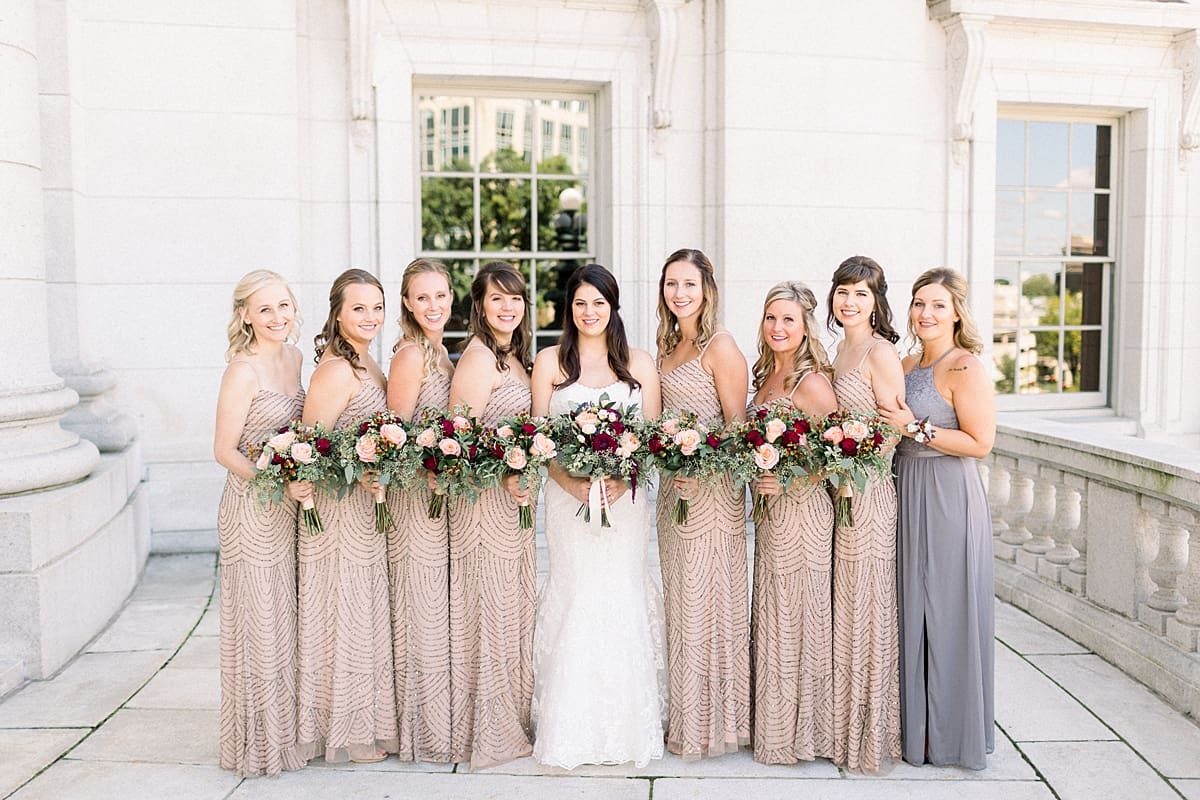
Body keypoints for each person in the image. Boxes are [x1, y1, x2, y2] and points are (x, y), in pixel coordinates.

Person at [530, 263, 666, 769]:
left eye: (599, 303)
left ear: (613, 308)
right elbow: (539, 442)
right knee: (577, 593)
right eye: (581, 303)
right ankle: (569, 724)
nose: (590, 313)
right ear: (570, 309)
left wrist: (619, 477)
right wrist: (573, 485)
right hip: (569, 503)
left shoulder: (639, 363)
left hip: (625, 504)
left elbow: (650, 440)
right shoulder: (548, 362)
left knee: (620, 592)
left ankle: (628, 725)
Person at [877, 267, 995, 770]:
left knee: (947, 611)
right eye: (919, 303)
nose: (926, 313)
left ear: (956, 313)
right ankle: (915, 729)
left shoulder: (965, 367)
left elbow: (980, 443)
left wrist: (915, 428)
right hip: (904, 490)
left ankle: (949, 735)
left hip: (949, 495)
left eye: (938, 305)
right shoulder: (903, 363)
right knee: (910, 610)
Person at [295, 268, 398, 764]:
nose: (370, 317)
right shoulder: (336, 370)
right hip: (338, 513)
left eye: (377, 307)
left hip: (365, 511)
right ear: (337, 313)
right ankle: (349, 734)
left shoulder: (368, 364)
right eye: (359, 308)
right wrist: (357, 473)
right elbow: (308, 450)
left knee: (363, 614)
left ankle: (365, 722)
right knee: (345, 616)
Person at [654, 248, 751, 759]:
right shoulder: (666, 347)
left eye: (689, 284)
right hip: (674, 495)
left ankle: (715, 724)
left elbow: (739, 432)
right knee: (681, 602)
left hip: (712, 497)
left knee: (708, 602)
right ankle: (687, 714)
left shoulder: (721, 346)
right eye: (671, 284)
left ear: (707, 289)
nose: (680, 294)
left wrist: (702, 470)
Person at [213, 270, 306, 777]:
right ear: (245, 314)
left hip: (291, 506)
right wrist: (277, 483)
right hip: (252, 510)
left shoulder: (294, 359)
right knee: (261, 622)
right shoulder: (241, 371)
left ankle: (289, 731)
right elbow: (223, 450)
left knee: (288, 619)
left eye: (284, 306)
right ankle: (260, 743)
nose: (277, 317)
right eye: (265, 309)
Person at [447, 261, 537, 769]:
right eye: (496, 298)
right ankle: (488, 729)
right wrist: (504, 473)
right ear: (479, 306)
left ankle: (509, 715)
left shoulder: (512, 357)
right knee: (489, 612)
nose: (507, 307)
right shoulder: (479, 358)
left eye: (516, 298)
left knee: (509, 610)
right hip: (484, 505)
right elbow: (460, 438)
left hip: (512, 508)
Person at [748, 281, 837, 766]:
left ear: (805, 327)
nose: (778, 327)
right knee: (775, 616)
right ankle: (775, 726)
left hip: (802, 514)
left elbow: (843, 451)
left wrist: (789, 480)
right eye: (771, 318)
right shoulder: (765, 376)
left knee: (799, 619)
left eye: (788, 319)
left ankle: (803, 735)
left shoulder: (812, 384)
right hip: (769, 518)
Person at [826, 256, 904, 772]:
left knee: (864, 609)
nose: (849, 302)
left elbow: (893, 429)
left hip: (867, 494)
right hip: (838, 494)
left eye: (860, 293)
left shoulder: (880, 352)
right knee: (843, 608)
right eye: (842, 292)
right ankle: (838, 724)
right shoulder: (838, 350)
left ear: (876, 301)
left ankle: (868, 737)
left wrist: (853, 470)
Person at [386, 258, 456, 762]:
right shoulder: (411, 355)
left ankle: (438, 719)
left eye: (441, 295)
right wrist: (428, 468)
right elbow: (394, 435)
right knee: (421, 609)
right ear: (408, 303)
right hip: (415, 499)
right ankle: (422, 731)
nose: (434, 306)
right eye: (422, 297)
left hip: (441, 499)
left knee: (435, 610)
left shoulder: (442, 353)